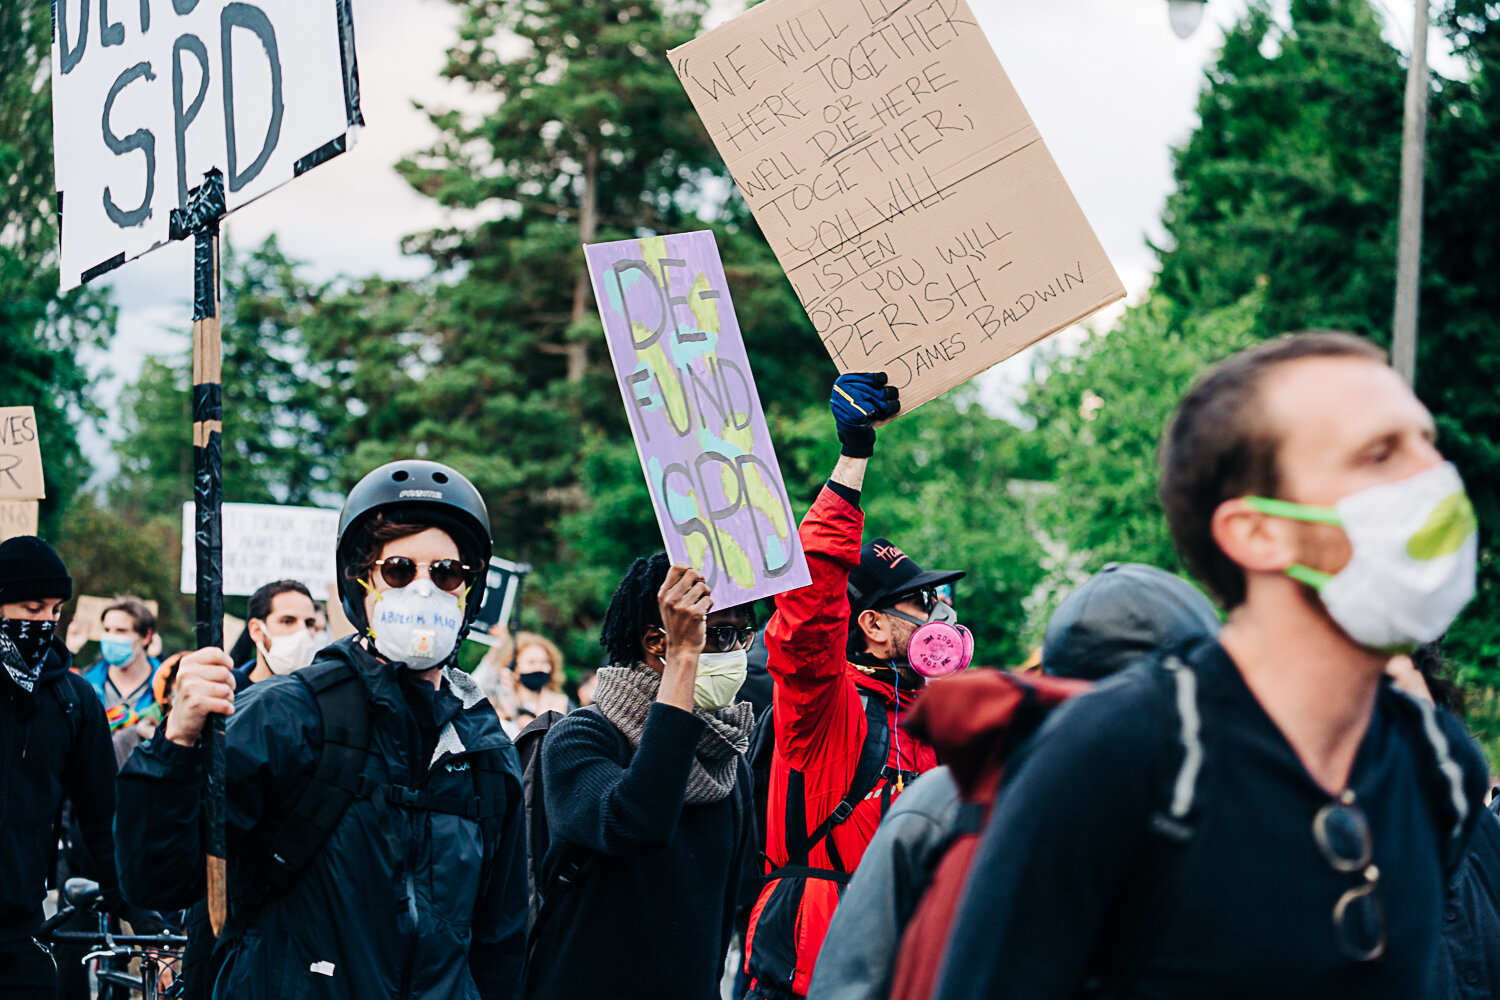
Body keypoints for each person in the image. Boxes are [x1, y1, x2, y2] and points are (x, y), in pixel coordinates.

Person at [933, 332, 1490, 1000]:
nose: (1431, 478)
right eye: (1380, 453)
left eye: (1425, 441)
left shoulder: (1441, 761)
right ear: (1255, 532)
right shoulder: (1116, 758)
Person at [116, 460, 529, 1000]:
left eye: (447, 573)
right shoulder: (286, 715)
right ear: (360, 583)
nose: (424, 591)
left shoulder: (483, 748)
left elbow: (501, 942)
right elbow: (161, 880)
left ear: (469, 592)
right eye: (400, 569)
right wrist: (175, 745)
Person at [807, 563, 1221, 1000]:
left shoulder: (941, 798)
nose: (940, 617)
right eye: (923, 605)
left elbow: (851, 979)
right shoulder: (1244, 810)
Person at [742, 373, 966, 1000]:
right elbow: (809, 607)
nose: (939, 617)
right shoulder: (821, 705)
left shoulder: (930, 717)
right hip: (816, 969)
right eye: (920, 604)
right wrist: (852, 460)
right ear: (869, 622)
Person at [522, 555, 755, 1000]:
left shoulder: (726, 759)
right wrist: (685, 658)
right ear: (656, 641)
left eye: (742, 635)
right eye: (718, 635)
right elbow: (634, 822)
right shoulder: (580, 737)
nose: (736, 653)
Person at [0, 538, 136, 999]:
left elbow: (102, 816)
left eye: (55, 611)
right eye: (31, 607)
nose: (43, 623)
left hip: (20, 931)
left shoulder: (73, 701)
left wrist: (129, 903)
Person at [80, 597, 162, 762]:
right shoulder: (84, 683)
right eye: (107, 630)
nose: (111, 637)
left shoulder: (166, 688)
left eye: (121, 631)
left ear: (146, 636)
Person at [231, 579, 319, 688]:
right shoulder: (227, 694)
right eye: (287, 621)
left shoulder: (321, 697)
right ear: (256, 630)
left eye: (309, 624)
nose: (303, 632)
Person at [510, 632, 571, 724]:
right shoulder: (500, 701)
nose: (538, 668)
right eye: (531, 662)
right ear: (515, 667)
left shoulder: (562, 703)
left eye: (544, 662)